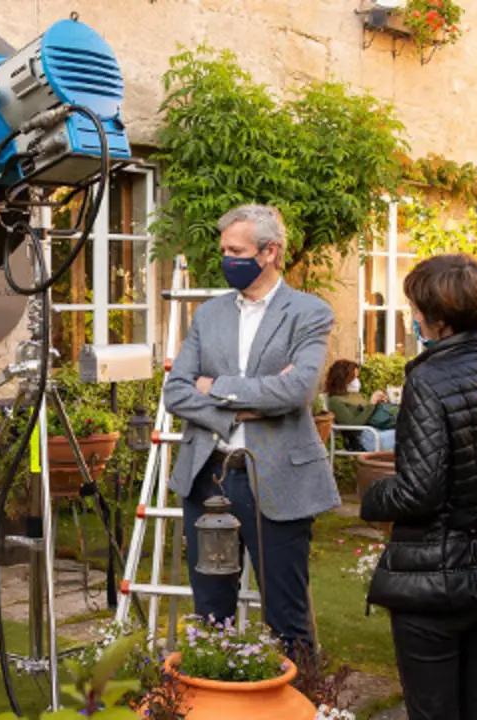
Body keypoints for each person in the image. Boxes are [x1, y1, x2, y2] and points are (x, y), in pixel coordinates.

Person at [360, 253, 477, 720]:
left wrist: (371, 497)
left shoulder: (428, 380)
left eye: (416, 308)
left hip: (434, 580)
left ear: (437, 317)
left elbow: (418, 491)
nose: (413, 317)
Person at [163, 204, 335, 654]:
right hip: (209, 477)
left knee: (286, 618)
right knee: (210, 616)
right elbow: (175, 392)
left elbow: (296, 391)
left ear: (269, 252)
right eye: (224, 250)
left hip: (278, 478)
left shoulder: (308, 312)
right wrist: (239, 411)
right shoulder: (209, 315)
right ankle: (214, 691)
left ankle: (300, 691)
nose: (226, 259)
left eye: (236, 252)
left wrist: (214, 386)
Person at [319, 359, 397, 451]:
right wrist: (371, 404)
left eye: (357, 377)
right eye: (354, 378)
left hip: (376, 430)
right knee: (408, 435)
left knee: (408, 429)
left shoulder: (355, 395)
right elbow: (351, 425)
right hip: (366, 438)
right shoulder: (335, 401)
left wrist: (378, 403)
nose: (356, 381)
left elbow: (366, 414)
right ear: (343, 379)